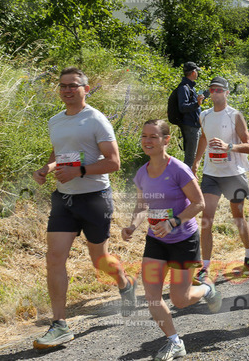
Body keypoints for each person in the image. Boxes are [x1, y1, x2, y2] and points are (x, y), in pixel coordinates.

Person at [32, 67, 135, 349]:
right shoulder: (55, 121)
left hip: (94, 198)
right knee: (54, 258)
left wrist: (78, 171)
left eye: (73, 85)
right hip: (64, 199)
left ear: (86, 89)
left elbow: (114, 162)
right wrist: (47, 168)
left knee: (99, 260)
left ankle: (125, 283)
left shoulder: (96, 120)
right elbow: (59, 152)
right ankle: (60, 324)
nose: (67, 90)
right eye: (63, 86)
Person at [122, 120, 221, 361]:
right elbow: (142, 205)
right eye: (144, 136)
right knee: (152, 296)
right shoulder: (142, 173)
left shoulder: (178, 169)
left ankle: (207, 289)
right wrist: (133, 225)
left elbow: (199, 203)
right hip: (156, 240)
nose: (147, 141)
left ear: (166, 140)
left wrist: (173, 222)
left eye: (153, 136)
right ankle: (174, 342)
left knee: (180, 300)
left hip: (183, 239)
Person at [192, 76, 249, 281]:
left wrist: (228, 146)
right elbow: (204, 137)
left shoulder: (234, 115)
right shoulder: (204, 115)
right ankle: (205, 267)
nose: (215, 93)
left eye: (219, 90)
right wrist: (196, 162)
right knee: (206, 219)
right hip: (211, 174)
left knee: (238, 217)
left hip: (233, 174)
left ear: (227, 93)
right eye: (212, 89)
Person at [177, 61, 205, 168]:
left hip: (194, 126)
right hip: (190, 126)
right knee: (190, 158)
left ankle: (190, 175)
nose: (197, 73)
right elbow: (183, 107)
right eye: (196, 71)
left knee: (192, 156)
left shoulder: (190, 87)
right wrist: (197, 103)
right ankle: (186, 177)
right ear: (193, 72)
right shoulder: (184, 88)